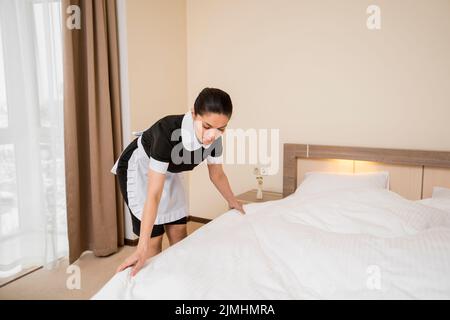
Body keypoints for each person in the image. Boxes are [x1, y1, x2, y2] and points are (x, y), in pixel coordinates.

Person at [111, 88, 245, 276]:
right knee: (153, 242)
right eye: (206, 126)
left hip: (170, 171)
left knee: (179, 234)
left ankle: (179, 282)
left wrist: (232, 201)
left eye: (221, 128)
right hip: (140, 169)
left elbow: (217, 174)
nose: (212, 136)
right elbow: (154, 193)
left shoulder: (215, 139)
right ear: (193, 114)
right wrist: (141, 248)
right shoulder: (166, 133)